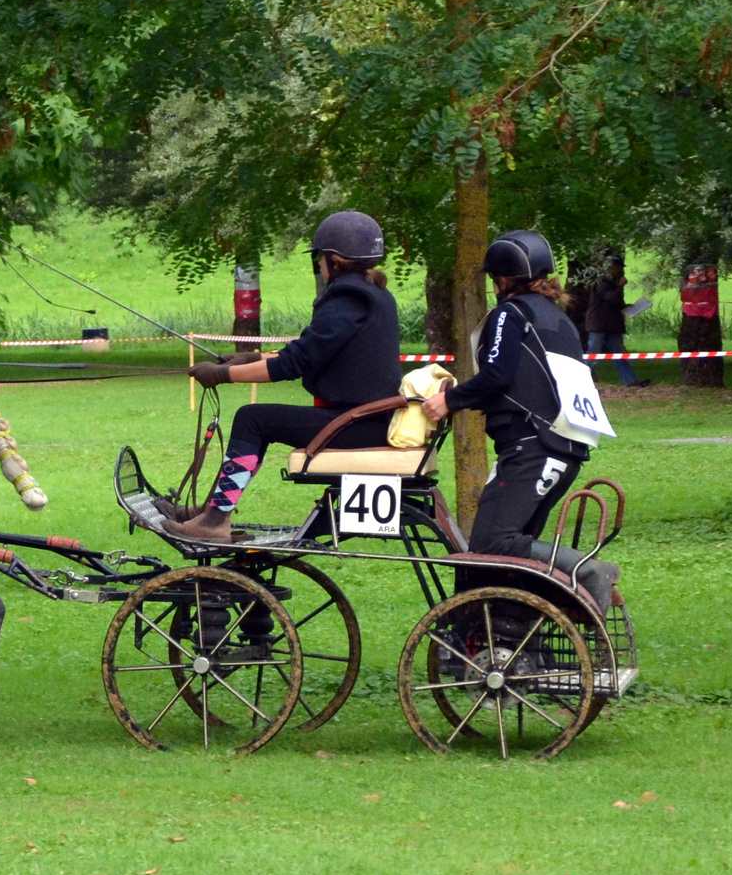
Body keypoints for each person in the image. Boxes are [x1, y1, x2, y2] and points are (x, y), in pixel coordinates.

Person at [165, 210, 402, 542]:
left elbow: (294, 363)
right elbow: (313, 348)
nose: (318, 265)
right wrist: (250, 356)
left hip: (358, 423)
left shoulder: (349, 297)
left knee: (253, 419)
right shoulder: (373, 293)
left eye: (319, 258)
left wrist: (222, 374)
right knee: (256, 419)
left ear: (334, 261)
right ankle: (211, 511)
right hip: (364, 419)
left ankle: (214, 521)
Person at [419, 229, 618, 609]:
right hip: (565, 449)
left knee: (492, 545)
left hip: (532, 449)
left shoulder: (511, 313)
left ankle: (588, 572)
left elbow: (497, 375)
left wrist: (449, 400)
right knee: (512, 558)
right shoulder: (556, 317)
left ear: (502, 279)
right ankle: (514, 638)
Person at [585, 252, 648, 387]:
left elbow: (615, 301)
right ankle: (580, 380)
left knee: (619, 354)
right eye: (617, 266)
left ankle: (631, 381)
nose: (620, 269)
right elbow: (611, 297)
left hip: (612, 324)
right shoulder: (601, 281)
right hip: (599, 324)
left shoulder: (612, 282)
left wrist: (626, 306)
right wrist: (620, 286)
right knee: (593, 354)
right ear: (610, 267)